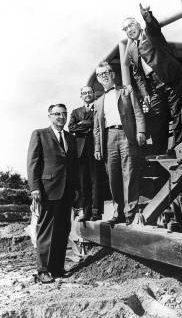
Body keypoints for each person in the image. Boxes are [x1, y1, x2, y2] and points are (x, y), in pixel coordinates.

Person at [122, 4, 182, 155]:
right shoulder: (130, 49)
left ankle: (177, 148)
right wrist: (145, 94)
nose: (129, 30)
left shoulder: (150, 33)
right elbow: (137, 74)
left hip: (171, 77)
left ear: (138, 24)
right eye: (125, 29)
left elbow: (153, 25)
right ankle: (159, 150)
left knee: (176, 111)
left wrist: (147, 16)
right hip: (153, 85)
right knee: (156, 116)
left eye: (131, 25)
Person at [27, 104, 79, 283]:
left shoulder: (70, 138)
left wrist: (75, 190)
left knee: (63, 230)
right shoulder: (40, 134)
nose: (61, 117)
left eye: (64, 114)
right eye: (57, 114)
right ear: (49, 116)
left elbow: (73, 166)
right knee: (46, 230)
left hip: (67, 191)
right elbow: (33, 162)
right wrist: (34, 187)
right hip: (48, 190)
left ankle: (57, 268)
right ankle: (43, 270)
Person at [94, 61, 146, 225]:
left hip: (126, 134)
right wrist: (97, 147)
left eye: (107, 72)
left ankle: (130, 213)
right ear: (98, 78)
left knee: (129, 173)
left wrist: (141, 131)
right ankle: (118, 213)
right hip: (108, 138)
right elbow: (97, 128)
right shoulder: (98, 102)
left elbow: (138, 112)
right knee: (113, 176)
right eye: (101, 74)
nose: (105, 76)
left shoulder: (126, 90)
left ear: (113, 74)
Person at [68, 86, 104, 221]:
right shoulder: (76, 111)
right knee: (84, 182)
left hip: (96, 146)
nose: (87, 94)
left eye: (89, 92)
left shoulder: (100, 107)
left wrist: (84, 123)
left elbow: (100, 123)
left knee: (96, 181)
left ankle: (96, 212)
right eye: (84, 93)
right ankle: (86, 212)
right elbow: (71, 127)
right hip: (81, 150)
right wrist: (88, 125)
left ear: (93, 94)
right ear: (81, 96)